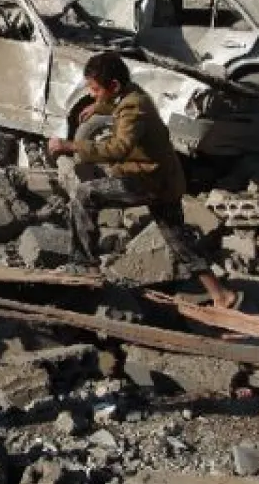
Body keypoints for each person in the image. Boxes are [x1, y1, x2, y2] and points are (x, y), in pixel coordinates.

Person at [48, 51, 239, 309]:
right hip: (164, 179)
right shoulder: (131, 93)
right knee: (178, 240)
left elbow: (118, 149)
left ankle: (84, 265)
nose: (91, 94)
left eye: (94, 90)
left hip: (149, 180)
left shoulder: (133, 107)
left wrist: (71, 145)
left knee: (85, 194)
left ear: (113, 86)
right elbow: (117, 105)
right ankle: (221, 294)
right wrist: (99, 106)